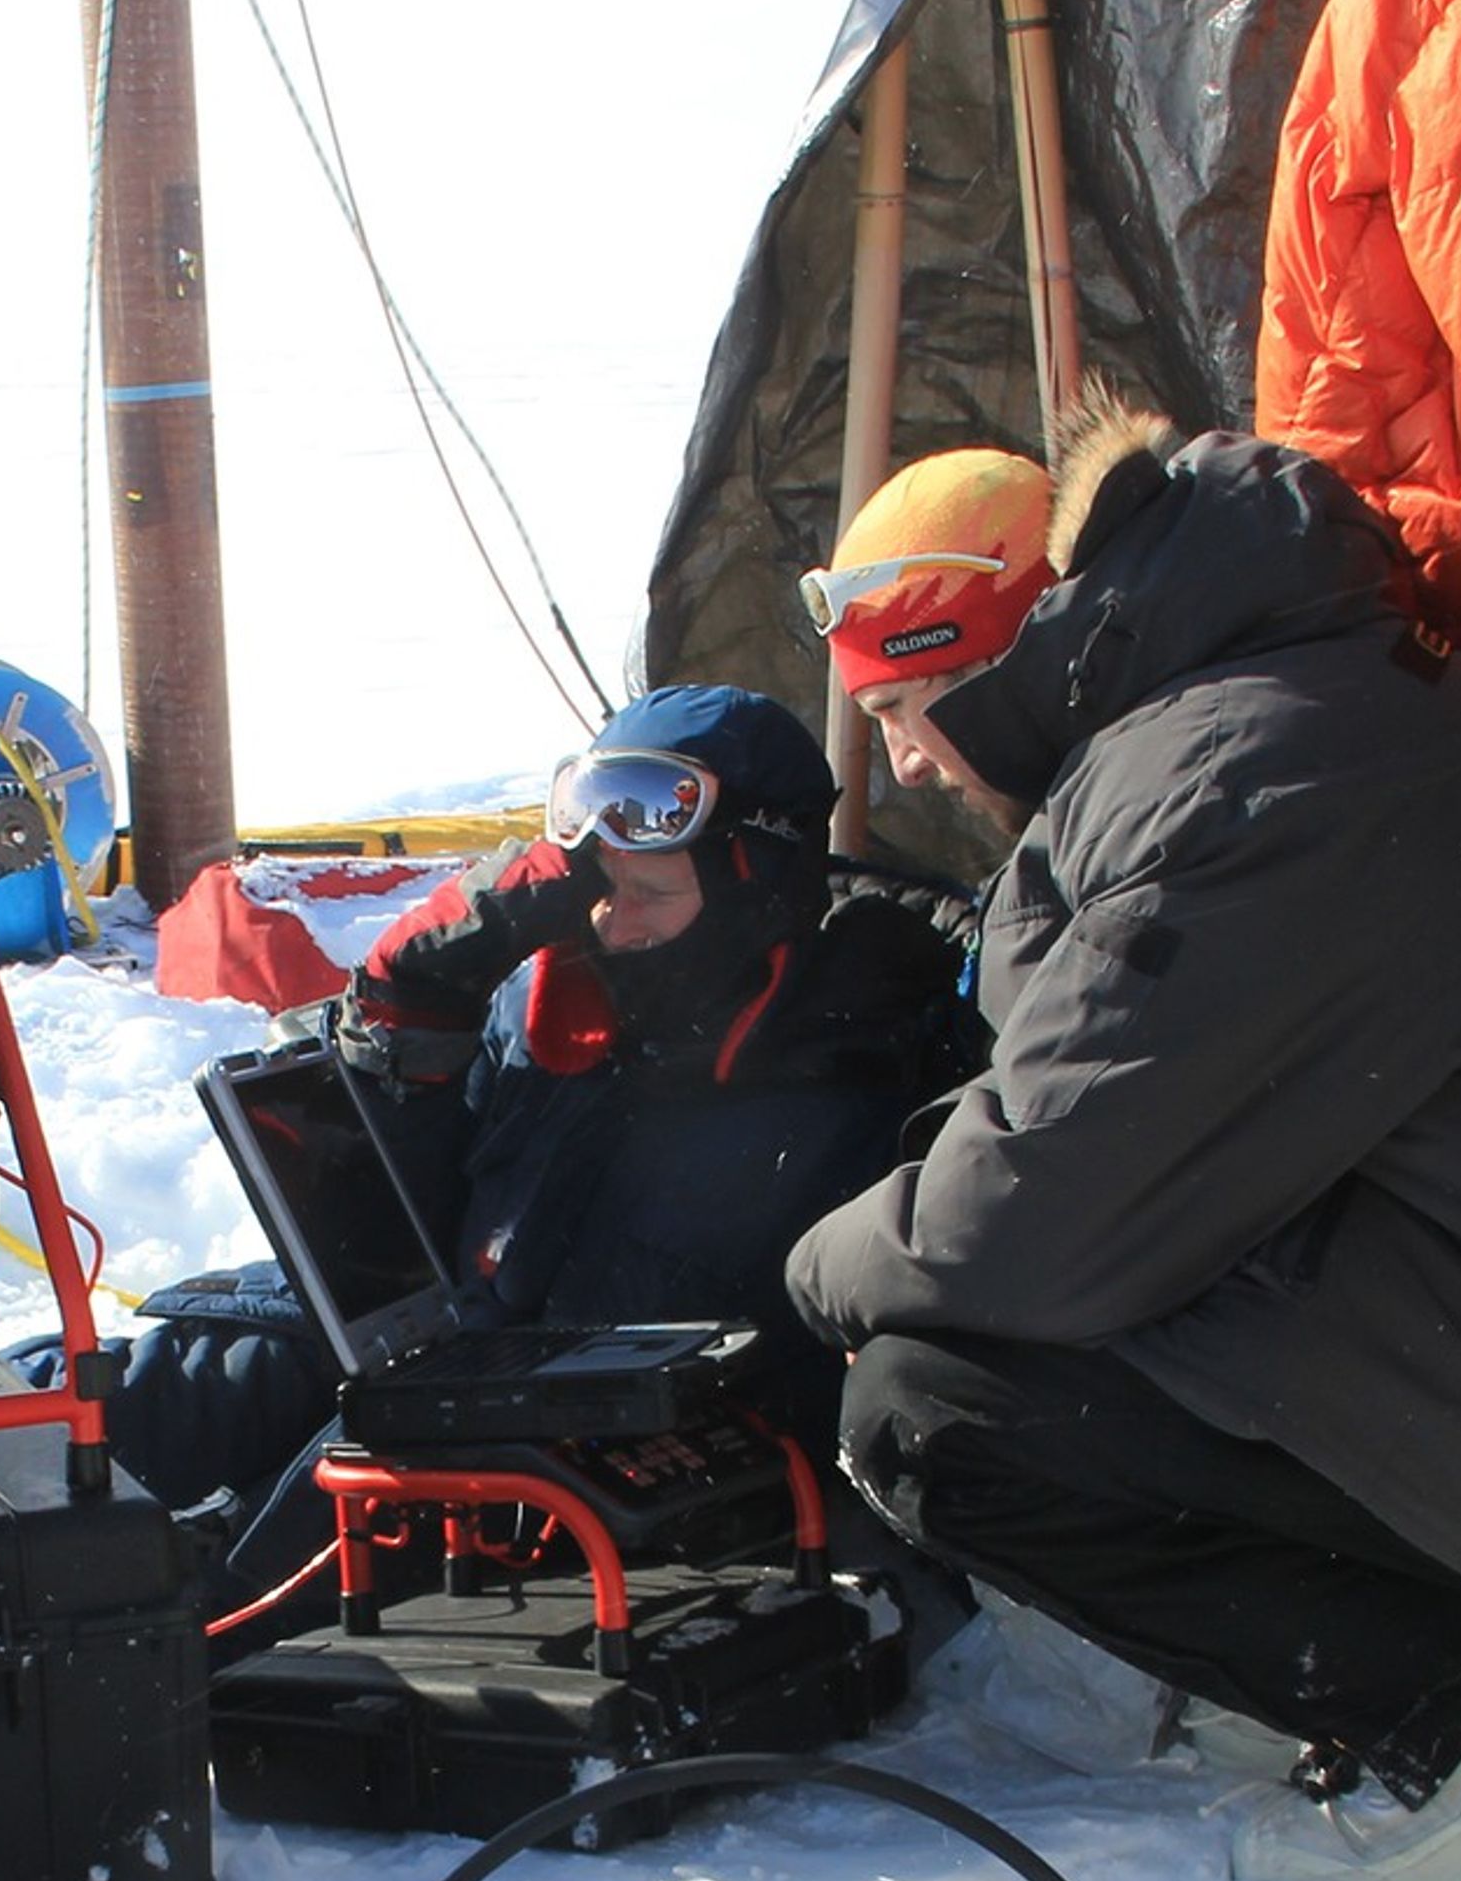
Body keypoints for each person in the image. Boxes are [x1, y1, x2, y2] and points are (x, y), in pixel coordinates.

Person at [788, 389, 1461, 1881]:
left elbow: (1031, 1219)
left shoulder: (1247, 769)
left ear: (1002, 653)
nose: (913, 771)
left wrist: (816, 1264)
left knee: (932, 1407)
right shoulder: (1302, 710)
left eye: (898, 715)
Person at [61, 684, 985, 1608]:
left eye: (652, 894)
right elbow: (417, 1222)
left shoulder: (862, 1049)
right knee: (116, 1405)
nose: (616, 925)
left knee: (222, 1593)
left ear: (758, 887)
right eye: (600, 890)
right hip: (448, 1355)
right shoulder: (553, 999)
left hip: (624, 1449)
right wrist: (410, 1016)